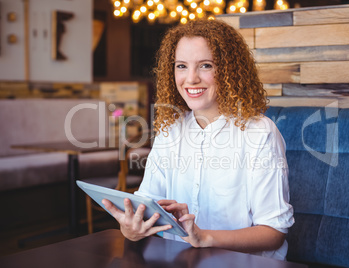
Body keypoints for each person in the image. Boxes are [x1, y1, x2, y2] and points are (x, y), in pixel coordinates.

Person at [103, 19, 294, 260]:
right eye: (181, 66)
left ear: (229, 71)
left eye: (205, 65)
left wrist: (204, 237)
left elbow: (274, 232)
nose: (190, 79)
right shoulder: (170, 130)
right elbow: (145, 206)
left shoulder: (260, 132)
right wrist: (130, 228)